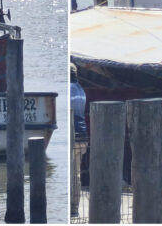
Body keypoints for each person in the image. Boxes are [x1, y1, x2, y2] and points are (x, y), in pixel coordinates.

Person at [70, 62, 88, 217]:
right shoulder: (81, 89)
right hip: (82, 135)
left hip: (73, 136)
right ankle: (74, 206)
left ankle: (72, 207)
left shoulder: (69, 89)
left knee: (73, 173)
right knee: (76, 173)